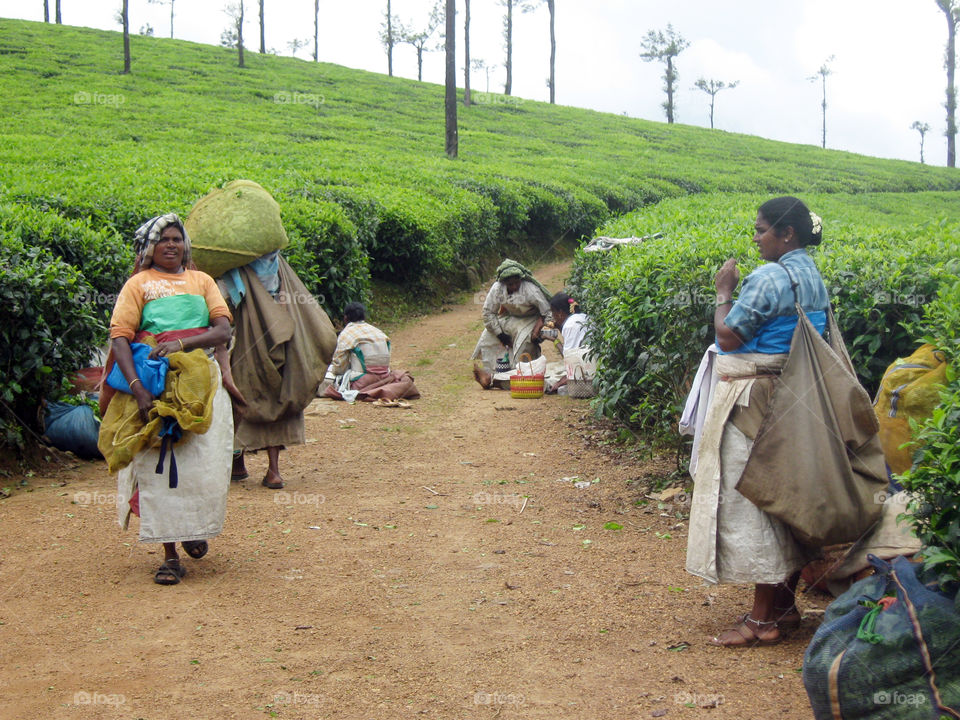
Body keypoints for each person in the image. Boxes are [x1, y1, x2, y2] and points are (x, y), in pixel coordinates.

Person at [685, 197, 830, 646]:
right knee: (783, 498)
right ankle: (784, 606)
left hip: (755, 400)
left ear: (787, 234)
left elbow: (728, 337)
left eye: (761, 229)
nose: (755, 238)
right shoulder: (811, 274)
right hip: (795, 396)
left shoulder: (769, 277)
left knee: (756, 503)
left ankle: (762, 620)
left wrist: (723, 293)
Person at [100, 214, 237, 586]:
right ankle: (170, 556)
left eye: (177, 239)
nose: (172, 245)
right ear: (149, 248)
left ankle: (193, 528)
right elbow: (120, 338)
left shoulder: (202, 281)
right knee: (159, 469)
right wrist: (138, 388)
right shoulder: (138, 285)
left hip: (201, 383)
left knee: (201, 465)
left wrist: (180, 344)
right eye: (164, 240)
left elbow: (222, 331)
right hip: (153, 382)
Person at [224, 250, 337, 490]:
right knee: (277, 397)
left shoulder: (238, 270)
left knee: (240, 395)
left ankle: (239, 462)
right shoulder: (279, 266)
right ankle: (272, 470)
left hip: (251, 343)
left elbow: (228, 304)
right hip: (286, 341)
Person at [472, 259, 552, 389]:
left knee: (522, 347)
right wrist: (500, 335)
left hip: (531, 319)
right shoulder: (497, 288)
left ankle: (496, 380)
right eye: (510, 284)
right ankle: (492, 372)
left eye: (516, 283)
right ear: (503, 283)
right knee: (487, 336)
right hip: (511, 317)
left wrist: (537, 329)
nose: (514, 287)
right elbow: (488, 313)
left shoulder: (531, 290)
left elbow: (547, 312)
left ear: (521, 279)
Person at [324, 302, 419, 402]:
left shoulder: (346, 334)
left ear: (345, 318)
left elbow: (339, 367)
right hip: (385, 378)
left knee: (326, 378)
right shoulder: (378, 332)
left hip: (362, 382)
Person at [544, 291, 590, 393]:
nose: (553, 317)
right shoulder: (583, 317)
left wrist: (555, 341)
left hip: (586, 371)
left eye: (554, 313)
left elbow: (570, 359)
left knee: (558, 385)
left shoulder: (570, 325)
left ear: (560, 313)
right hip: (591, 365)